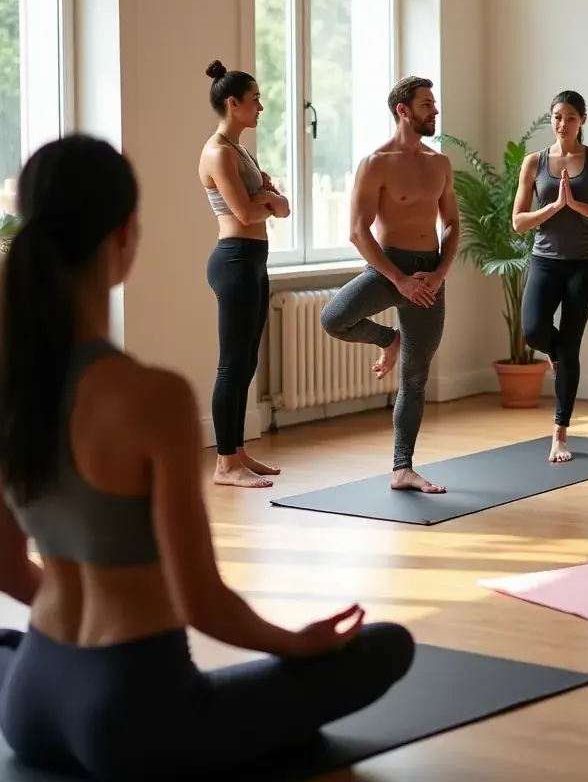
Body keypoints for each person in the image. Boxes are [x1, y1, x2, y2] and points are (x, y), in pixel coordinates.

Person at [0, 134, 414, 780]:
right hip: (132, 718)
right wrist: (295, 644)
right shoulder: (150, 396)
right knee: (387, 648)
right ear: (125, 235)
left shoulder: (10, 382)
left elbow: (4, 564)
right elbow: (201, 602)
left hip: (31, 700)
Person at [320, 76, 459, 495]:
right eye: (426, 104)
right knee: (333, 318)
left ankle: (403, 468)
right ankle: (388, 338)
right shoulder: (376, 163)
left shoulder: (440, 164)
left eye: (434, 104)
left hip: (429, 275)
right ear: (404, 110)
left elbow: (452, 224)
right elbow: (358, 231)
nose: (434, 111)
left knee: (414, 379)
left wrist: (439, 274)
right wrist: (397, 280)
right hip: (388, 270)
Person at [512, 90, 588, 463]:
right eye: (557, 117)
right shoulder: (534, 162)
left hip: (583, 264)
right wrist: (555, 207)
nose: (563, 124)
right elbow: (518, 222)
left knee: (570, 344)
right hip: (545, 260)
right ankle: (557, 353)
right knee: (533, 331)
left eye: (571, 117)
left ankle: (559, 433)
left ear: (583, 121)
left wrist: (576, 205)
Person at [198, 59, 290, 489]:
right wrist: (268, 198)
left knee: (247, 360)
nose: (261, 108)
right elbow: (246, 210)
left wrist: (268, 199)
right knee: (231, 364)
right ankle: (223, 464)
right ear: (232, 104)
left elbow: (275, 206)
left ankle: (235, 452)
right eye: (255, 101)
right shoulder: (217, 152)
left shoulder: (241, 151)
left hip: (254, 258)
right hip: (233, 259)